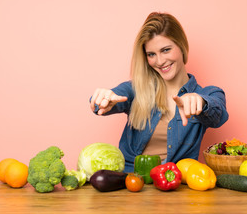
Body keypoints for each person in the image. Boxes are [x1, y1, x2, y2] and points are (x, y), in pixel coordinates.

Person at [90, 12, 228, 172]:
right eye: (151, 54)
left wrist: (201, 103)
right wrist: (103, 99)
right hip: (130, 184)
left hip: (174, 186)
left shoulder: (209, 93)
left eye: (166, 50)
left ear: (182, 46)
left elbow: (218, 115)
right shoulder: (136, 89)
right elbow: (106, 101)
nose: (160, 61)